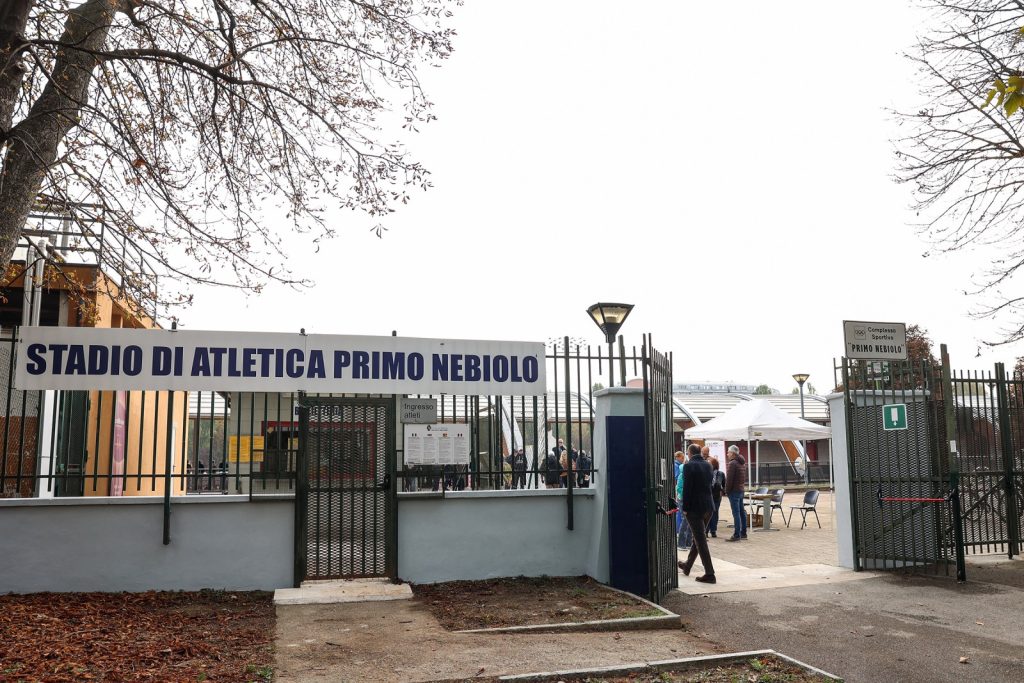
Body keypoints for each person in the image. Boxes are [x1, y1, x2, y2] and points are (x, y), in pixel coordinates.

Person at [678, 443, 716, 583]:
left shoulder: (688, 466)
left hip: (694, 508)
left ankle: (710, 574)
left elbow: (687, 488)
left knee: (700, 541)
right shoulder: (708, 465)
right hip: (708, 506)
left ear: (689, 453)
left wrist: (685, 507)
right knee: (698, 538)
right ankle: (687, 566)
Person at [724, 444, 748, 541]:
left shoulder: (732, 463)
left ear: (733, 453)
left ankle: (736, 535)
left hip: (734, 491)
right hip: (740, 490)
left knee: (736, 513)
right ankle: (743, 533)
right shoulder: (742, 462)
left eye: (728, 452)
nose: (727, 454)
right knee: (742, 512)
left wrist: (726, 491)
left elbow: (729, 480)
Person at [676, 449, 692, 550]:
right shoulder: (682, 476)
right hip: (683, 499)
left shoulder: (685, 475)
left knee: (688, 521)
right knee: (685, 520)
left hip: (685, 499)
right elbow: (679, 488)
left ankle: (688, 542)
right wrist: (684, 495)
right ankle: (681, 543)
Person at [707, 455, 725, 537]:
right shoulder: (706, 473)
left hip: (717, 496)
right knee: (707, 513)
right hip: (708, 495)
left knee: (715, 513)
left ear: (713, 465)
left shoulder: (721, 474)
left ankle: (713, 530)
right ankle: (706, 530)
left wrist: (722, 491)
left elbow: (724, 485)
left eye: (709, 463)